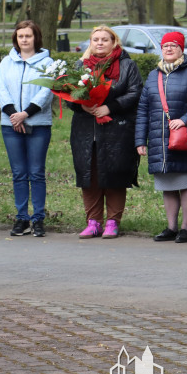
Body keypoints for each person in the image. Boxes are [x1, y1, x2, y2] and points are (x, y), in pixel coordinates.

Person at [70, 25, 142, 239]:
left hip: (117, 129)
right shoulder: (80, 66)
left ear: (114, 43)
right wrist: (81, 105)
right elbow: (69, 93)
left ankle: (112, 222)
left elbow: (135, 91)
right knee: (88, 175)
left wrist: (110, 107)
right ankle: (93, 222)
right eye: (96, 39)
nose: (100, 43)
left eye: (105, 39)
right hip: (85, 130)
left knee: (115, 174)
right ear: (90, 43)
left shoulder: (127, 65)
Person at [135, 32, 187, 243]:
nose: (169, 49)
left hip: (184, 137)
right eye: (165, 46)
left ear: (182, 48)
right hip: (159, 138)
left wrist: (184, 119)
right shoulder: (154, 74)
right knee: (167, 182)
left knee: (186, 181)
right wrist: (140, 140)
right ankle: (171, 227)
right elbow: (143, 108)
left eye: (174, 45)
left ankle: (185, 228)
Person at [0, 21, 54, 237]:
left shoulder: (47, 62)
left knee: (36, 173)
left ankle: (38, 218)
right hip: (10, 125)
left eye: (28, 36)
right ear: (16, 38)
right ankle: (22, 218)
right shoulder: (6, 63)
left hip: (37, 124)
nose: (24, 40)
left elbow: (46, 91)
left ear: (35, 38)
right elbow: (2, 91)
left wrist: (26, 114)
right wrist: (14, 115)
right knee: (19, 173)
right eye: (20, 36)